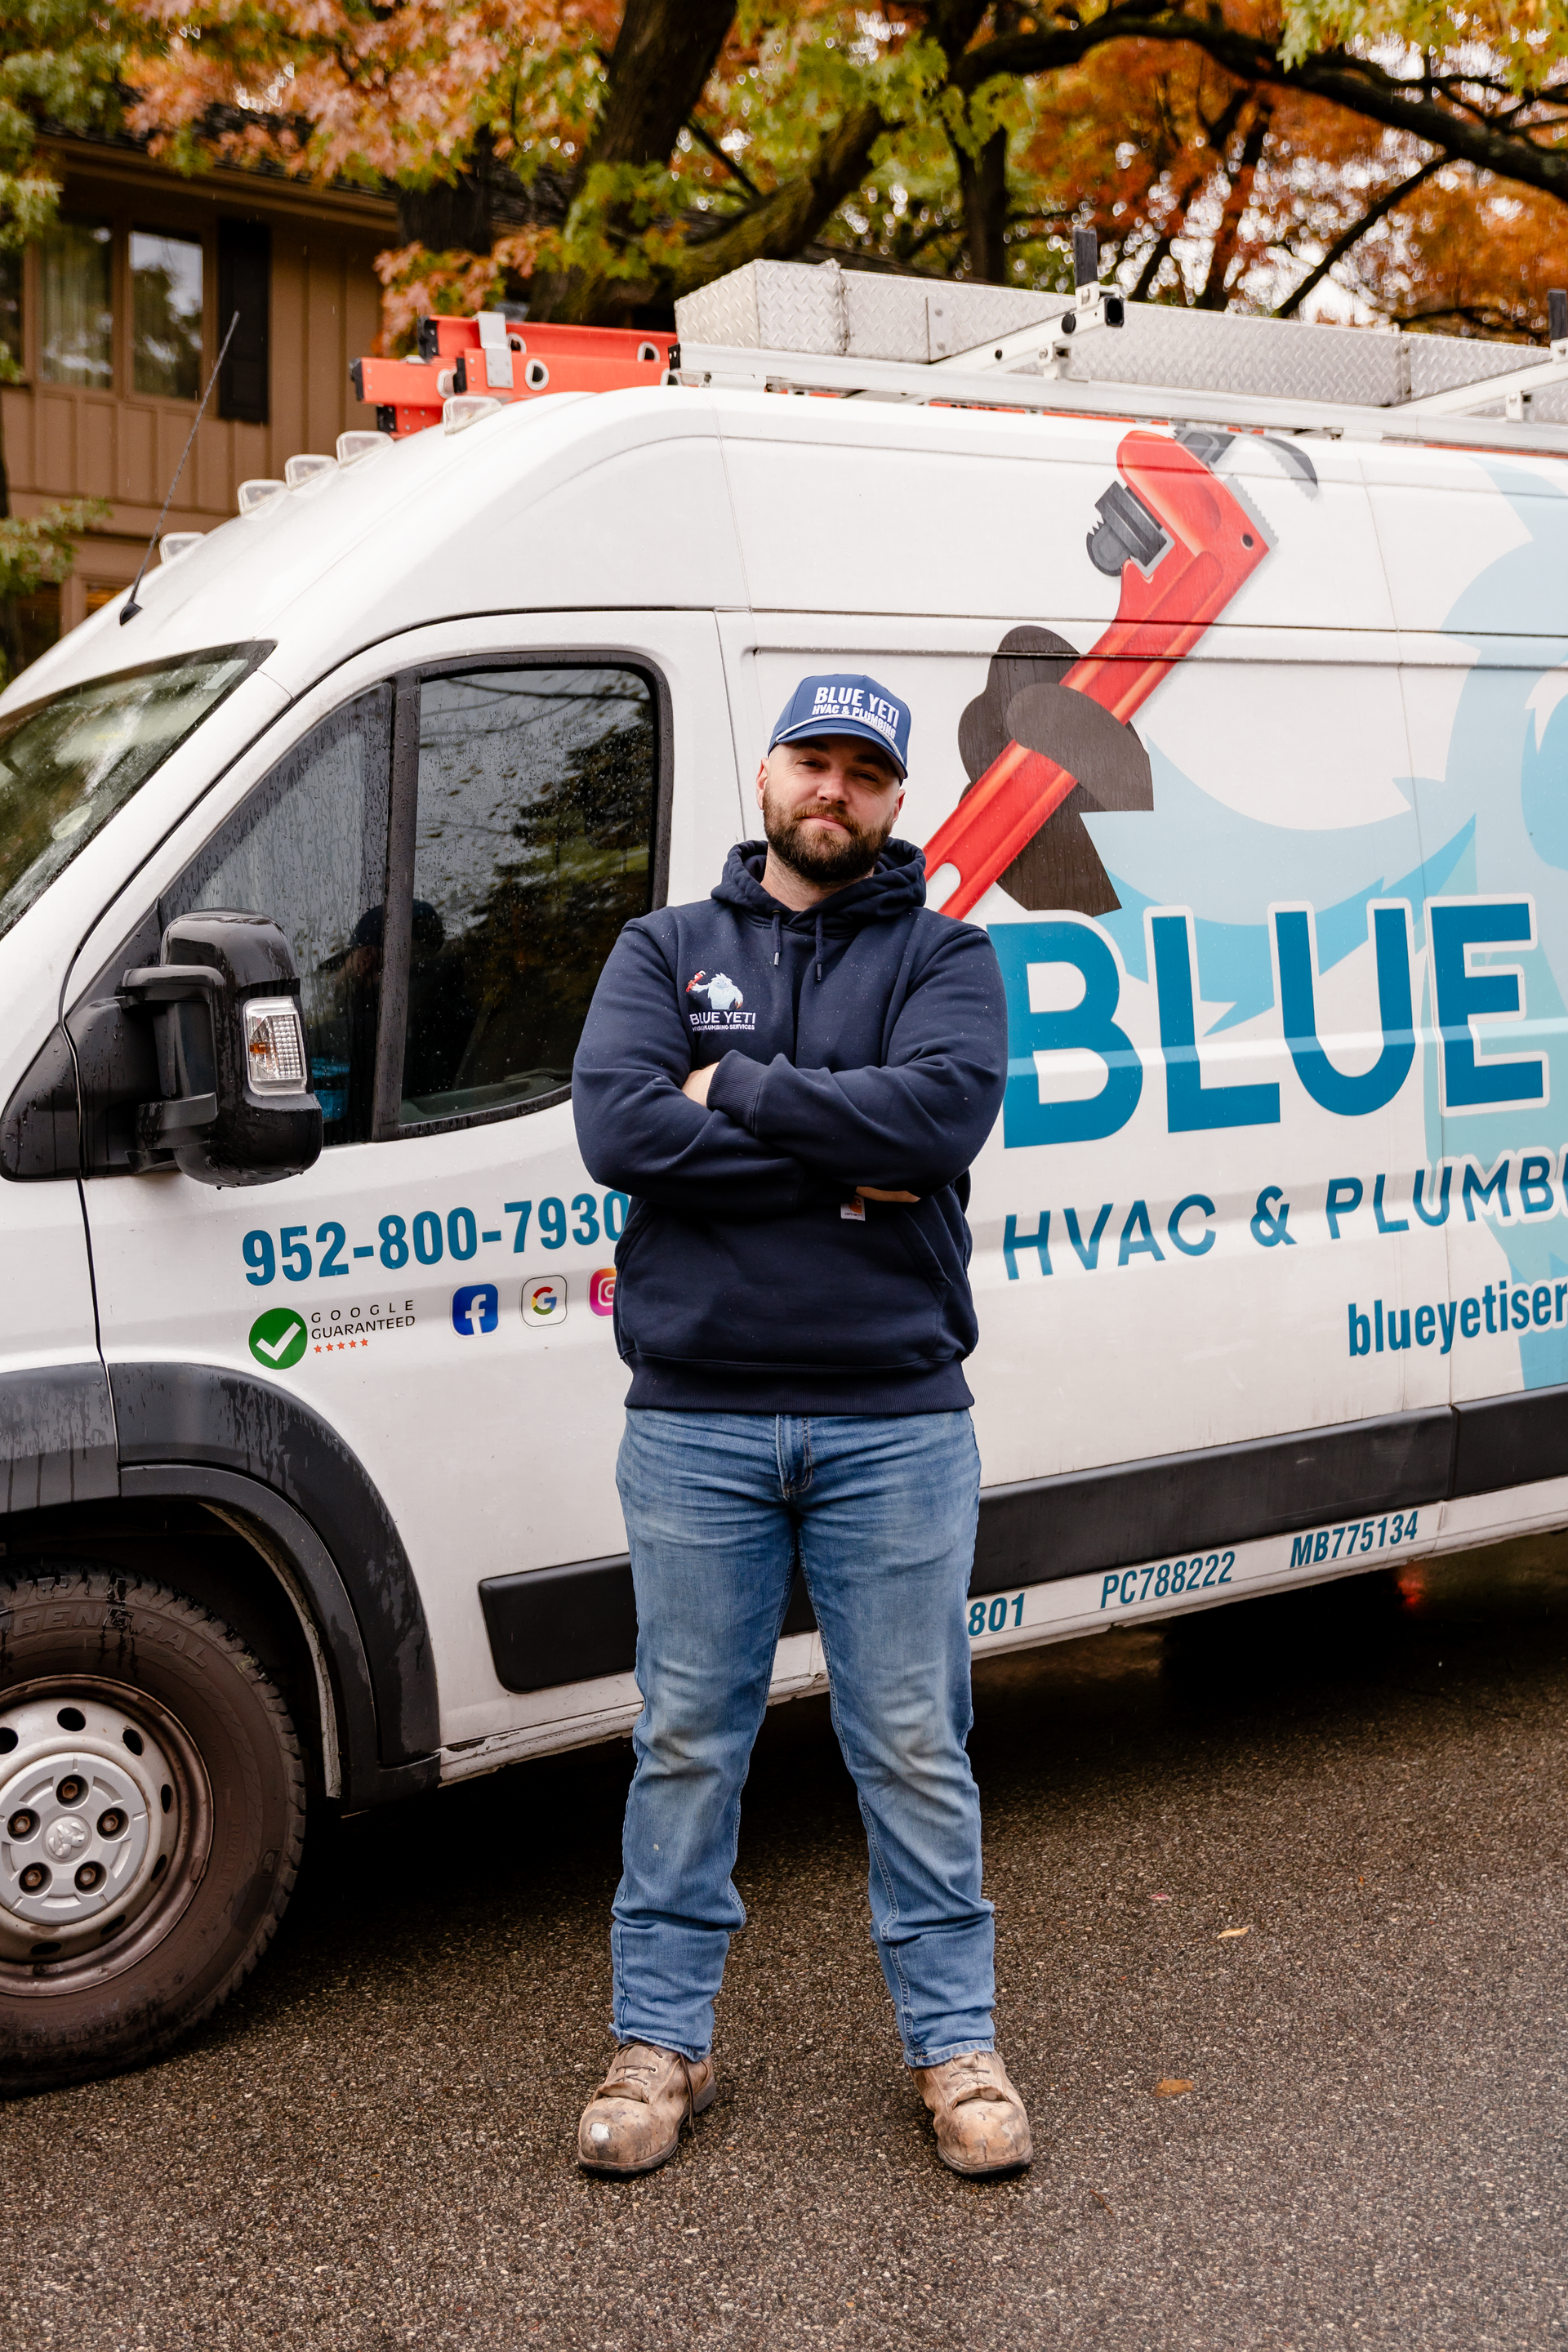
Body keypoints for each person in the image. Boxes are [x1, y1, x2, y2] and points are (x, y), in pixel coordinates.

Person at [571, 672, 1025, 2180]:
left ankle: (958, 2050)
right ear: (766, 777)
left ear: (898, 800)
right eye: (812, 762)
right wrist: (841, 1153)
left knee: (911, 1741)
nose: (835, 790)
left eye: (865, 772)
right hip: (697, 1420)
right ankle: (659, 2043)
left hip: (894, 1421)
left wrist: (742, 1090)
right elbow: (620, 1131)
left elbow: (940, 1124)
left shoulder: (948, 954)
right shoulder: (663, 947)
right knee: (688, 1742)